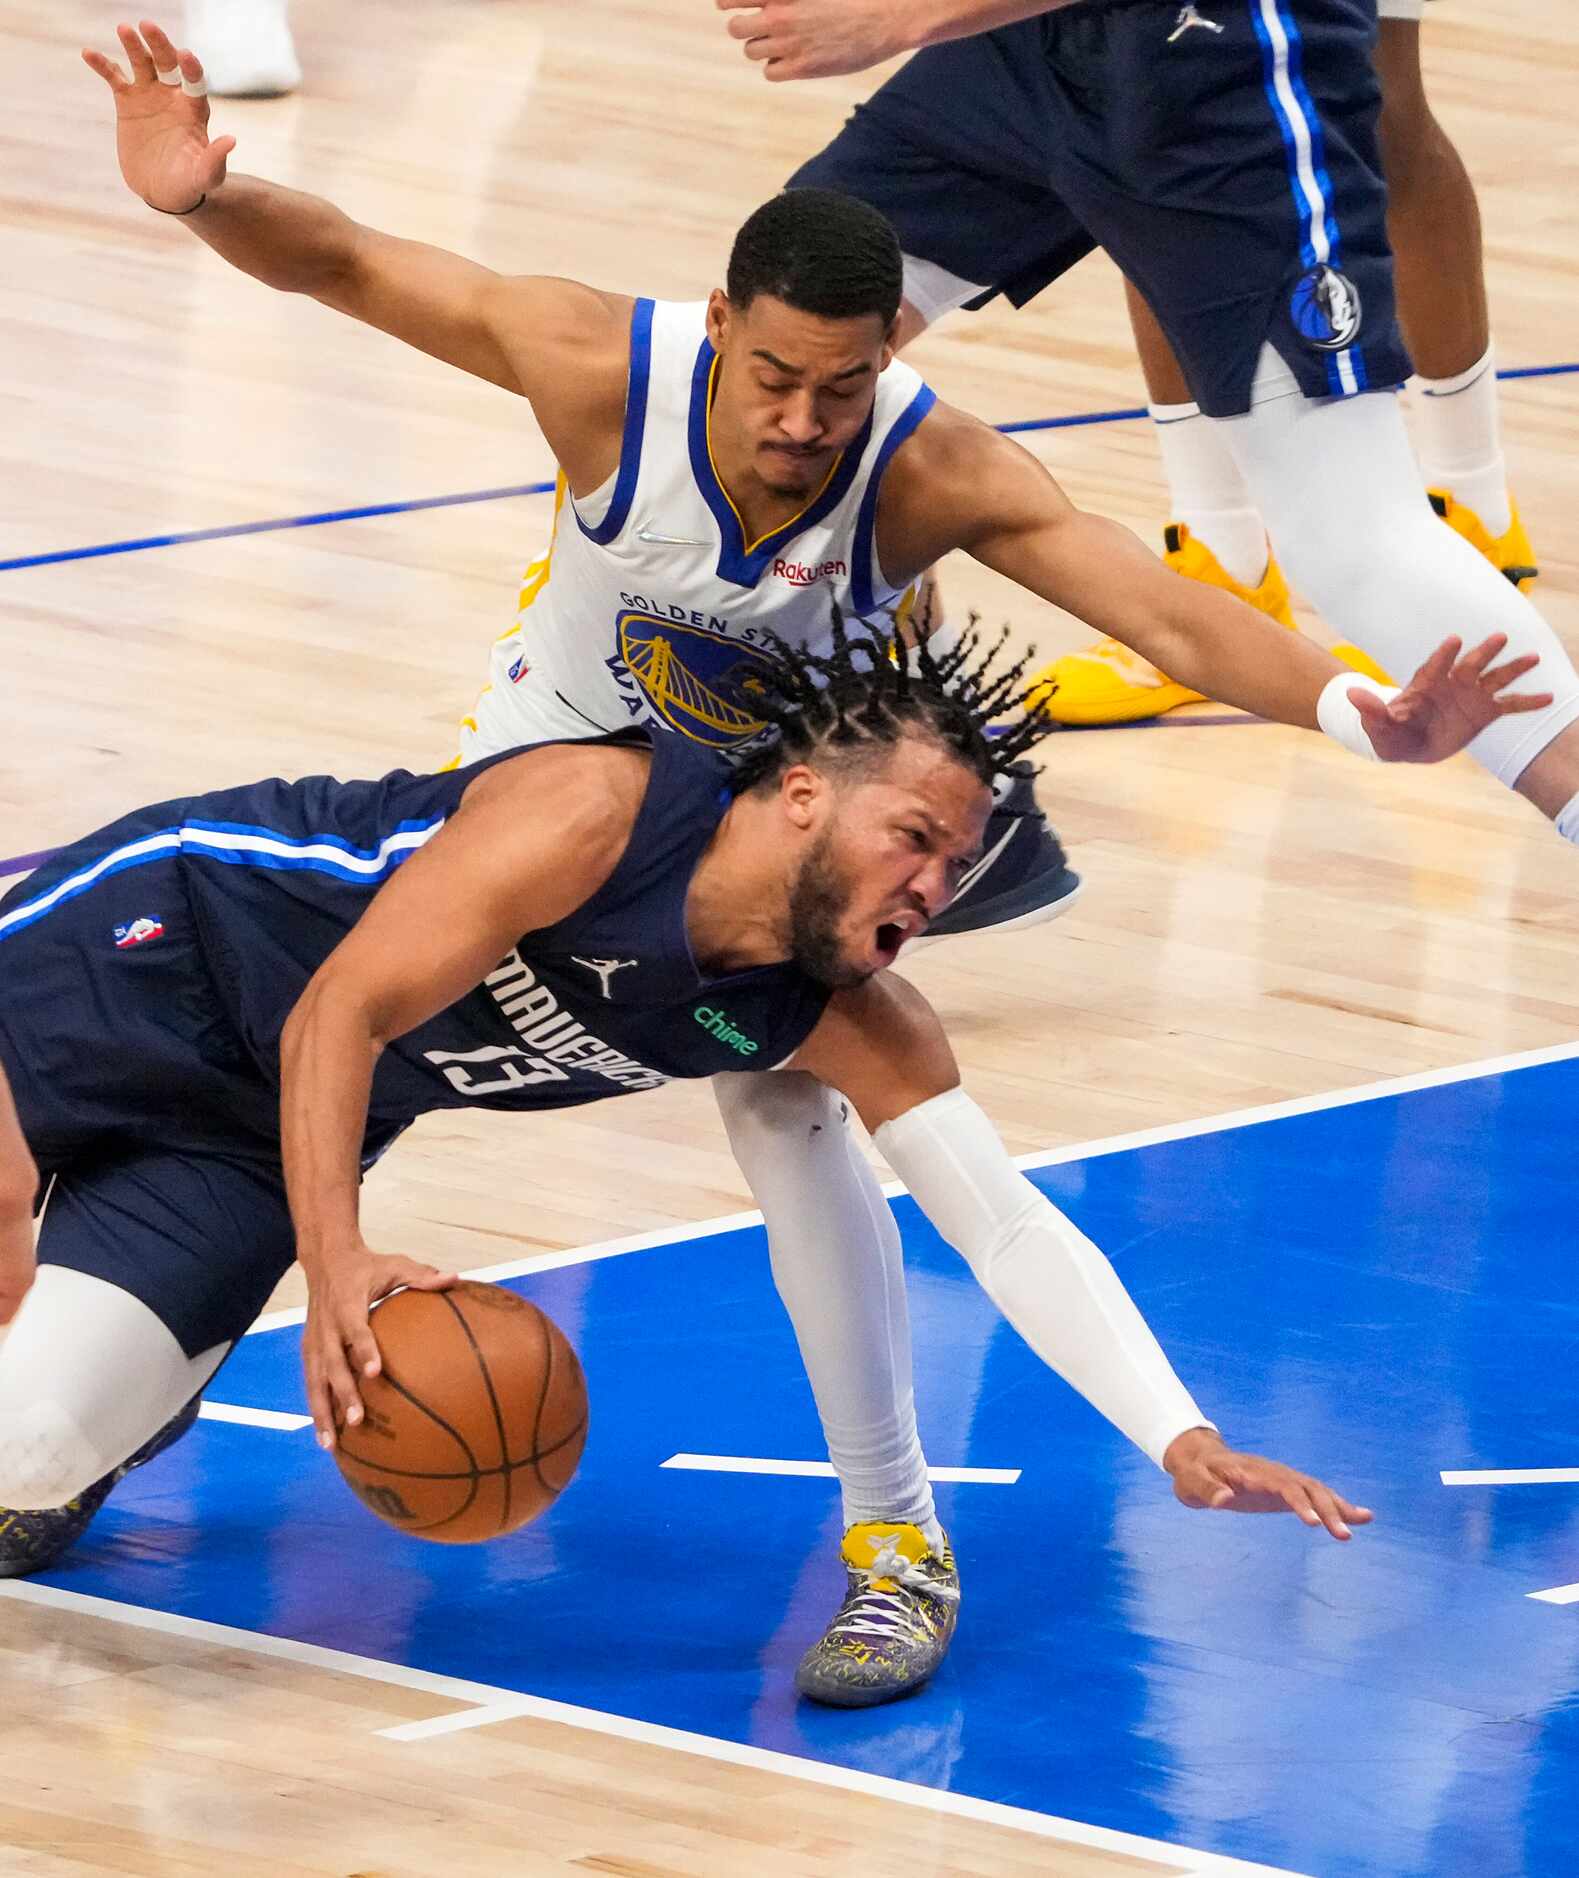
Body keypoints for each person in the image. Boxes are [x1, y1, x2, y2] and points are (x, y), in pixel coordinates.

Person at [80, 17, 1553, 1704]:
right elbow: (344, 258)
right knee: (344, 1026)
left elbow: (1150, 605)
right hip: (553, 795)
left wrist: (1356, 714)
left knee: (794, 1101)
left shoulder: (923, 464)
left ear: (881, 361)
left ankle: (893, 1539)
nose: (797, 420)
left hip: (759, 833)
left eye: (835, 388)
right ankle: (139, 1340)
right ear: (718, 330)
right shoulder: (593, 365)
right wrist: (206, 198)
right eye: (769, 379)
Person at [0, 619, 1539, 1702]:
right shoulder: (591, 812)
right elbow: (338, 1008)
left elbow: (1003, 1228)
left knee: (27, 1453)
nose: (932, 883)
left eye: (955, 865)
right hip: (110, 964)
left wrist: (1177, 1438)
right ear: (801, 792)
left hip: (240, 1131)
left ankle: (134, 1387)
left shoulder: (831, 1008)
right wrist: (335, 1269)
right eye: (913, 837)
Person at [737, 0, 1579, 806]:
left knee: (1353, 539)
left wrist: (898, 15)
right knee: (774, 364)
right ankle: (942, 766)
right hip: (1014, 46)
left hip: (1222, 56)